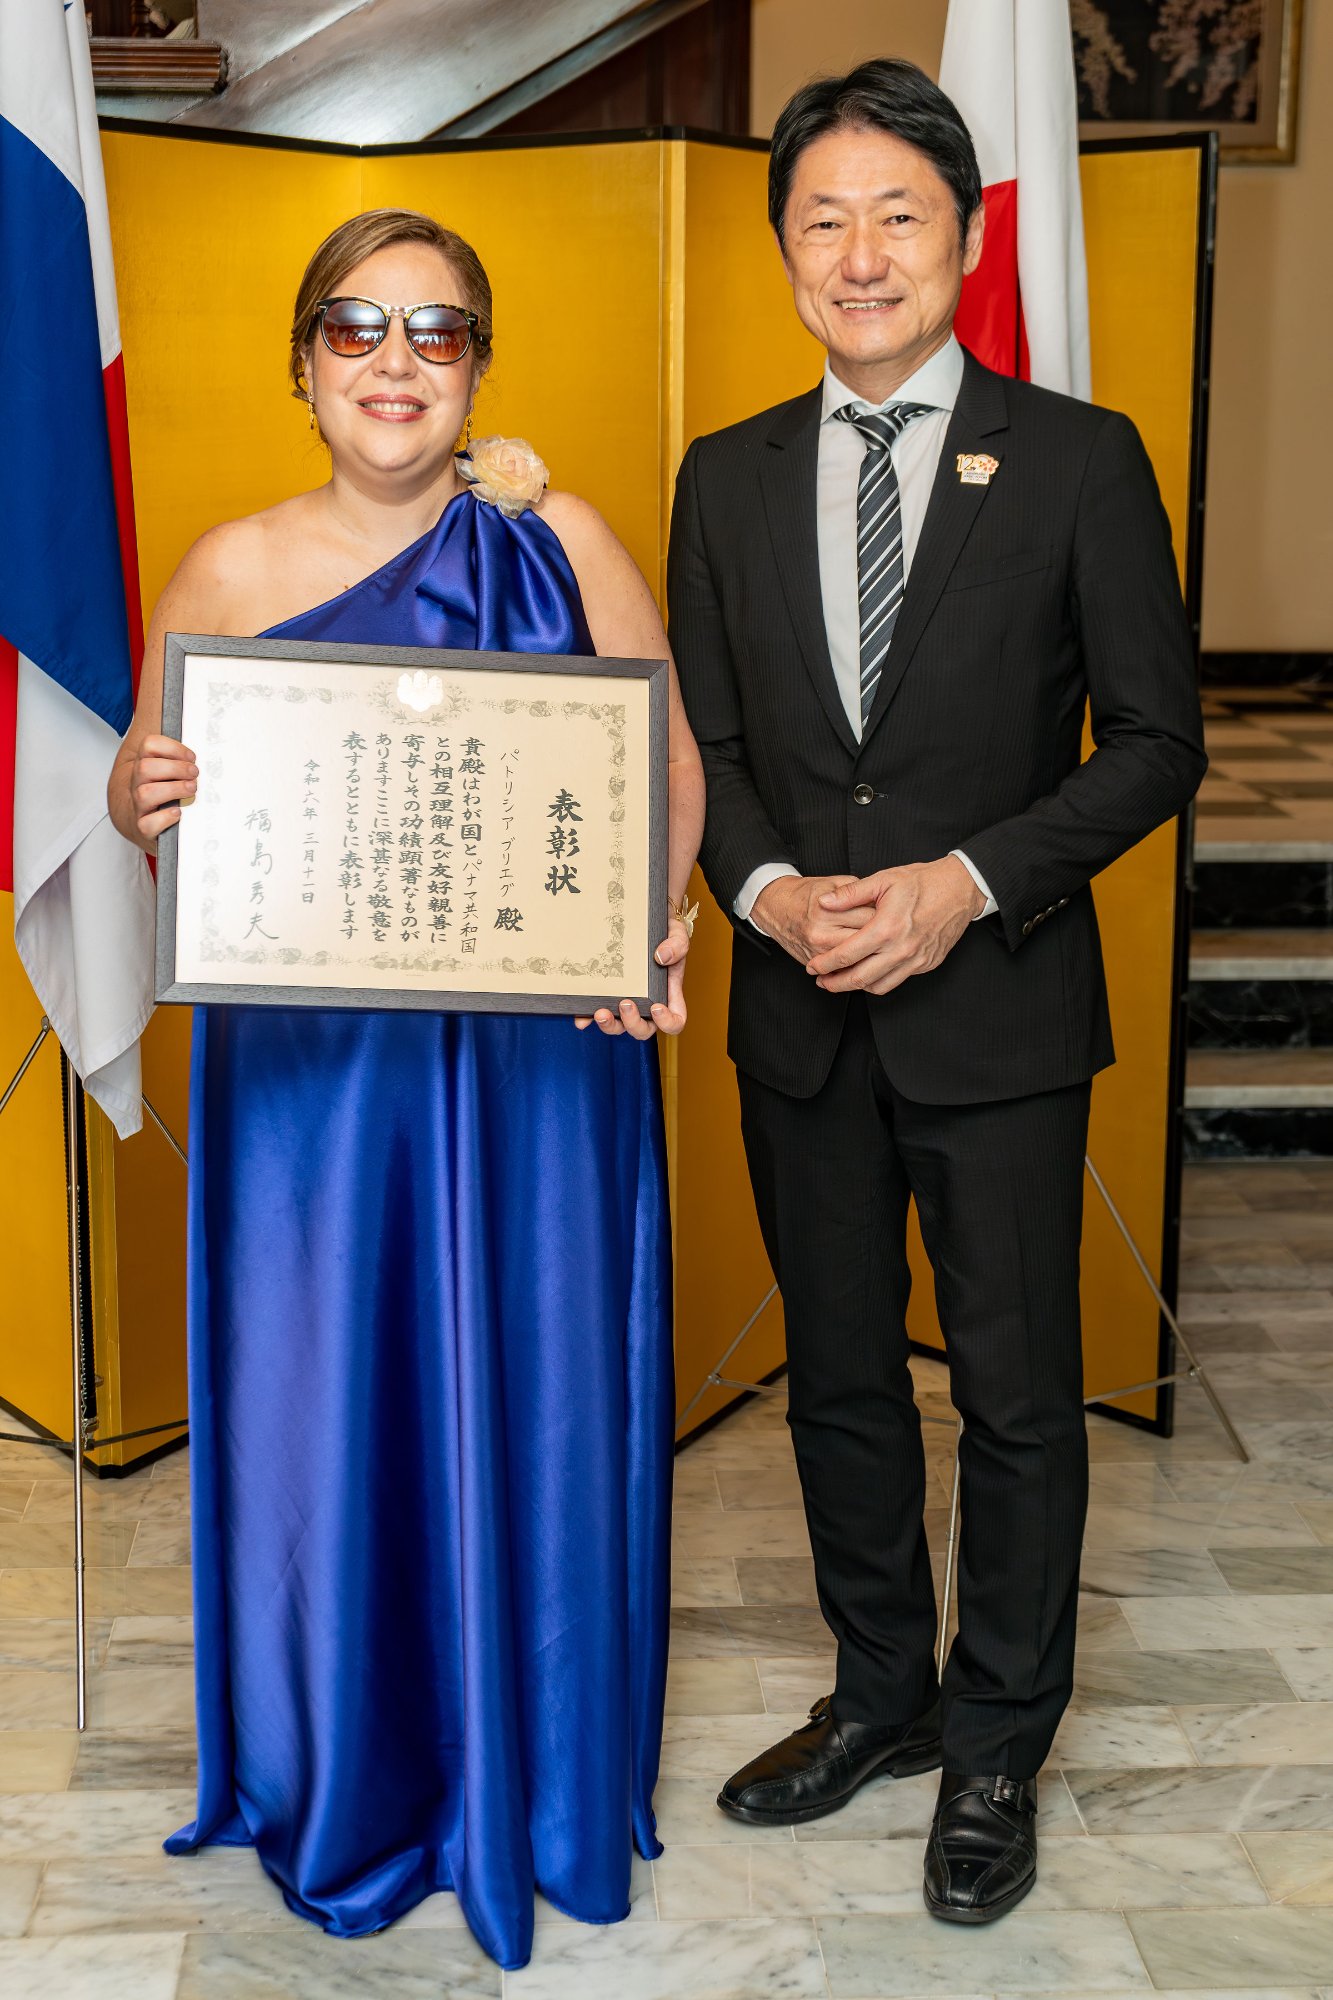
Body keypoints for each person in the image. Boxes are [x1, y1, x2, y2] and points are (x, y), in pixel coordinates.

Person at [108, 207, 705, 1973]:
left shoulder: (560, 538)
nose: (394, 362)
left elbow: (664, 766)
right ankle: (339, 1767)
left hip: (540, 1071)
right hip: (316, 1092)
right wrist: (142, 803)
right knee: (327, 1405)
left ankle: (539, 1769)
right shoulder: (226, 568)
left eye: (434, 332)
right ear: (304, 365)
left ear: (476, 369)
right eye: (356, 328)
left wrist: (655, 920)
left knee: (538, 1389)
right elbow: (150, 800)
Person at [667, 59, 1205, 1923]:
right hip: (800, 1012)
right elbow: (708, 748)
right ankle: (878, 1697)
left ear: (964, 240)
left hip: (997, 1015)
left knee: (1015, 1397)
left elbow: (1153, 743)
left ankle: (993, 1745)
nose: (859, 252)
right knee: (834, 1382)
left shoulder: (1078, 457)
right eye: (821, 218)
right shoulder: (725, 473)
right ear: (783, 250)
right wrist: (766, 892)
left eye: (896, 213)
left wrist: (965, 887)